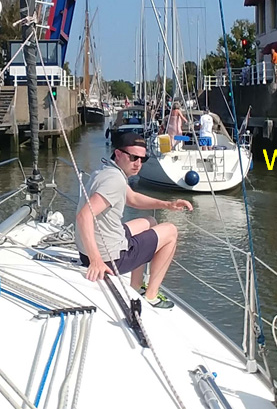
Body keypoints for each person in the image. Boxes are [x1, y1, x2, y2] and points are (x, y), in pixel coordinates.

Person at [76, 132, 192, 309]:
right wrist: (96, 260)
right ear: (118, 153)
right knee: (171, 231)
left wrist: (167, 204)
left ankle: (136, 286)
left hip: (87, 252)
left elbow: (133, 198)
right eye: (133, 157)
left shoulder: (107, 170)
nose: (138, 163)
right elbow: (84, 216)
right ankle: (151, 296)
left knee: (150, 222)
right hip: (110, 259)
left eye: (142, 159)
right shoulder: (115, 181)